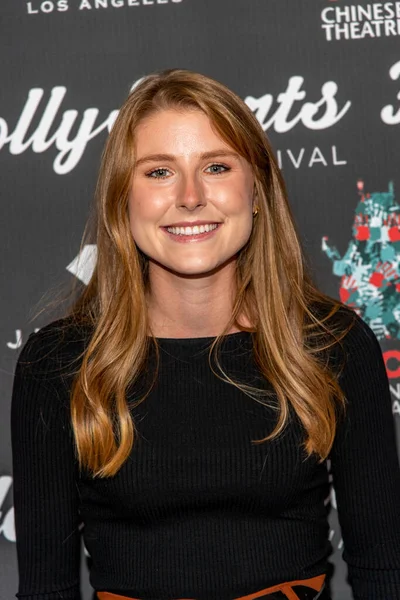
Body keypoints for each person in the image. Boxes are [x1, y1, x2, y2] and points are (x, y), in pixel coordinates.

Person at [10, 68, 400, 600]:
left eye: (216, 166)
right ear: (123, 200)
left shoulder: (333, 346)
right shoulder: (59, 363)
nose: (191, 197)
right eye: (159, 172)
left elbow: (384, 571)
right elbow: (44, 591)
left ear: (257, 191)